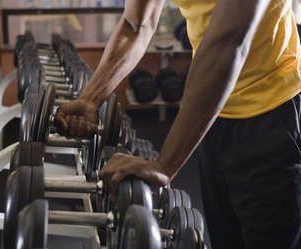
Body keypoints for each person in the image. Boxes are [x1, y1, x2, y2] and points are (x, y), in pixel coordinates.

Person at [55, 0, 301, 248]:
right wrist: (90, 99)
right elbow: (135, 25)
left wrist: (164, 165)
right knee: (227, 239)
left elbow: (229, 41)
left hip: (269, 113)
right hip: (211, 113)